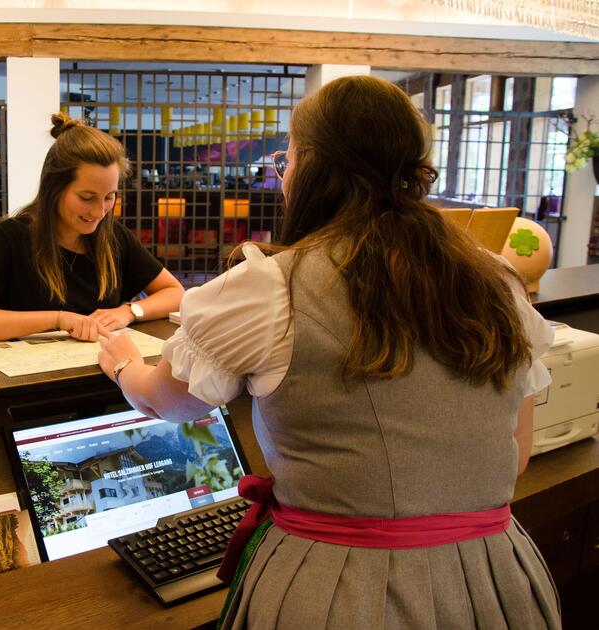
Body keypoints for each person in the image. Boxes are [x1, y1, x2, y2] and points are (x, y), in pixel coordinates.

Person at [98, 75, 560, 629]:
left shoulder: (271, 286)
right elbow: (518, 451)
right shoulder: (498, 281)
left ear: (314, 163)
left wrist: (125, 361)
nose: (284, 173)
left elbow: (169, 404)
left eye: (285, 158)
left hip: (342, 588)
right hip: (495, 579)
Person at [0, 113, 184, 342]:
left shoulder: (114, 237)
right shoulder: (9, 237)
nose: (99, 212)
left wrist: (129, 311)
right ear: (54, 188)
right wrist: (59, 319)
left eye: (109, 197)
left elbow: (175, 293)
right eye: (86, 197)